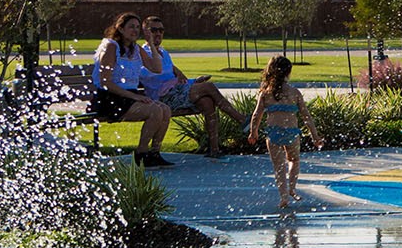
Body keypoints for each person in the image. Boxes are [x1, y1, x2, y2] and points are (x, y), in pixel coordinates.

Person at [137, 17, 247, 158]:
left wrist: (190, 79)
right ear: (145, 32)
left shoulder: (163, 52)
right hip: (161, 98)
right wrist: (177, 76)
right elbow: (153, 75)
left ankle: (214, 149)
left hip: (176, 93)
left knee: (207, 102)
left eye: (161, 30)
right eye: (154, 30)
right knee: (208, 87)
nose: (158, 33)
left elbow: (169, 71)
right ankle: (240, 119)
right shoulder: (142, 53)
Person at [89, 12, 173, 167]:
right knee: (155, 111)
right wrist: (134, 97)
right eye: (130, 27)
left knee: (165, 110)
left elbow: (156, 68)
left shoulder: (136, 49)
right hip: (110, 98)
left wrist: (151, 44)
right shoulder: (110, 47)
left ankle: (154, 153)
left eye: (137, 27)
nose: (135, 30)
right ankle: (141, 154)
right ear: (120, 29)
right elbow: (105, 83)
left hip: (129, 97)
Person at [247, 56, 321, 210]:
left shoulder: (266, 94)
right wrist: (315, 136)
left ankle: (284, 197)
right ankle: (292, 188)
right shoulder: (295, 93)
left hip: (273, 134)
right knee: (294, 160)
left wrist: (253, 133)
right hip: (292, 133)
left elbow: (256, 115)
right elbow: (306, 116)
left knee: (279, 167)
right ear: (289, 72)